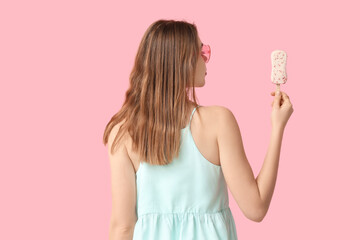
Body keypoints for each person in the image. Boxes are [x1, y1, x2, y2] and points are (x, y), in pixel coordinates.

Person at [103, 19, 294, 240]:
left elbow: (122, 228)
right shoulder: (218, 121)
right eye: (201, 51)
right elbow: (256, 208)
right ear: (182, 61)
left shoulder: (123, 133)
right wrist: (277, 127)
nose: (206, 59)